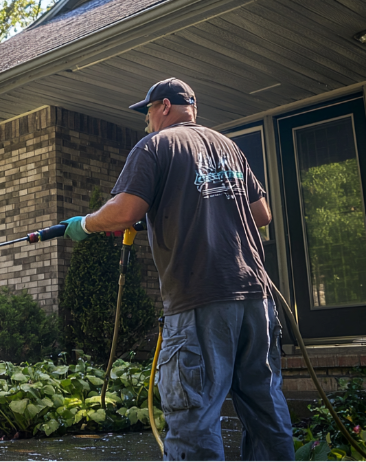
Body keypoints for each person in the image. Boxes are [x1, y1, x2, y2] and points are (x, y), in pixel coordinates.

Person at [61, 78, 294, 461]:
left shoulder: (156, 145)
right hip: (256, 298)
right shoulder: (229, 147)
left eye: (148, 112)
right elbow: (261, 214)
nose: (146, 122)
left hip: (199, 297)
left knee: (193, 414)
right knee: (266, 409)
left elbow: (125, 211)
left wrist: (86, 224)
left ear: (165, 106)